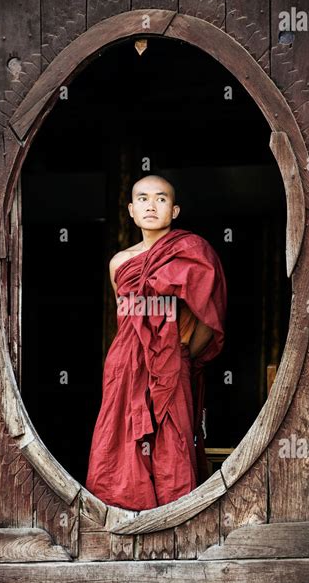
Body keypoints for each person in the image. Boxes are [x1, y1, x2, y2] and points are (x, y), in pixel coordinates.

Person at [85, 174, 227, 511]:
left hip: (171, 360)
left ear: (174, 210)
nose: (152, 205)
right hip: (125, 364)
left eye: (161, 199)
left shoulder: (191, 252)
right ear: (132, 211)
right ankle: (123, 514)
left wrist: (182, 356)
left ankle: (172, 517)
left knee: (172, 439)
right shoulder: (119, 263)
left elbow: (209, 316)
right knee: (119, 438)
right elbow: (129, 318)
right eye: (143, 199)